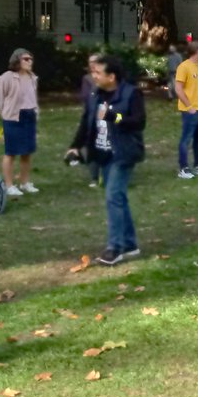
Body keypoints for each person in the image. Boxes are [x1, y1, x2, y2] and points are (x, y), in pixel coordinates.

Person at [73, 55, 146, 266]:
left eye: (98, 73)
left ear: (111, 76)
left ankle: (115, 248)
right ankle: (130, 244)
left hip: (122, 153)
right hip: (102, 154)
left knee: (113, 196)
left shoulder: (131, 94)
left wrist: (115, 117)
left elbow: (139, 122)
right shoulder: (95, 94)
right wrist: (75, 147)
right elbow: (86, 122)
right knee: (118, 197)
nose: (93, 76)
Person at [0, 48, 40, 197]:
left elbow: (32, 98)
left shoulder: (32, 77)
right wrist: (6, 113)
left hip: (29, 115)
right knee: (11, 152)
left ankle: (24, 182)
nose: (29, 61)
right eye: (26, 59)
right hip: (13, 117)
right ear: (17, 60)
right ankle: (9, 185)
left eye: (30, 59)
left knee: (27, 152)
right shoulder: (6, 77)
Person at [174, 41, 198, 179]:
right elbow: (178, 88)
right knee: (186, 138)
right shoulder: (183, 67)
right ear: (197, 51)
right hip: (190, 111)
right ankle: (183, 168)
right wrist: (189, 107)